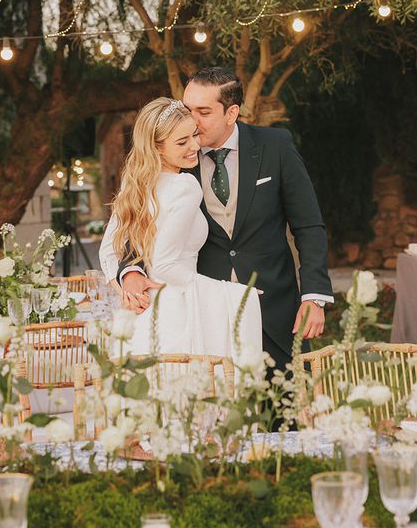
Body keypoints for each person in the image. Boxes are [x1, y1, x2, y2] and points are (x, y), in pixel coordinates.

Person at [120, 67, 333, 373]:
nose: (192, 121)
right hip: (205, 319)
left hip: (273, 311)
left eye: (203, 112)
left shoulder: (275, 146)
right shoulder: (174, 158)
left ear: (231, 112)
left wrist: (314, 296)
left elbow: (308, 225)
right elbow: (134, 222)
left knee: (287, 413)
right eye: (187, 109)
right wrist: (130, 271)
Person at [99, 96, 262, 359]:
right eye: (182, 142)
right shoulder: (185, 186)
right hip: (178, 313)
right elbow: (164, 266)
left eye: (194, 135)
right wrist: (230, 293)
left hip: (143, 316)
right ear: (157, 148)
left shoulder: (136, 188)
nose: (195, 146)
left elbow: (107, 253)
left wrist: (128, 293)